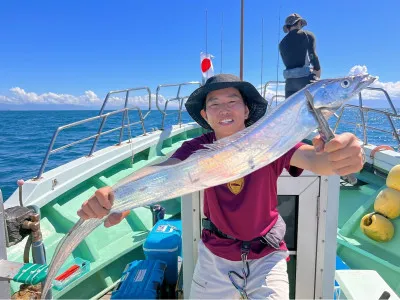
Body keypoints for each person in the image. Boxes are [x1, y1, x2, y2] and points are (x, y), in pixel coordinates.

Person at [77, 74, 364, 299]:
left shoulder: (272, 139)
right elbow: (163, 169)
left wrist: (341, 158)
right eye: (214, 103)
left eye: (232, 101)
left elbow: (317, 161)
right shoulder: (196, 147)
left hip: (269, 255)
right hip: (215, 254)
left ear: (246, 109)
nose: (224, 109)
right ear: (205, 115)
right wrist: (117, 195)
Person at [279, 13, 321, 99]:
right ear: (299, 23)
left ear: (287, 27)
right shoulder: (308, 35)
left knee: (291, 111)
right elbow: (312, 56)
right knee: (311, 110)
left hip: (289, 84)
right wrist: (317, 70)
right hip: (305, 79)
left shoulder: (281, 43)